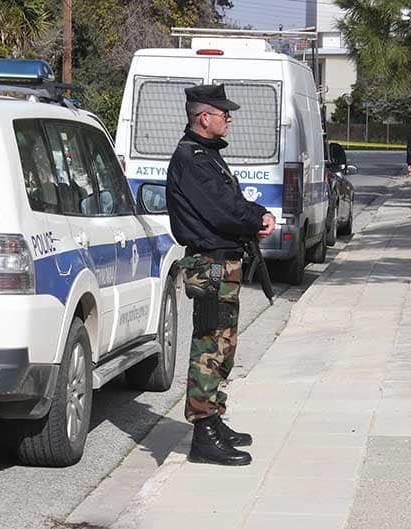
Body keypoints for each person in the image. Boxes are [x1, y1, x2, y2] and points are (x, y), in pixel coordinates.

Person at [166, 84, 276, 466]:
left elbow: (230, 202)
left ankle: (213, 418)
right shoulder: (192, 158)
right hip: (210, 263)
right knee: (209, 344)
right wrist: (256, 218)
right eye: (223, 113)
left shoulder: (207, 155)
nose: (229, 119)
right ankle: (203, 434)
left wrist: (257, 214)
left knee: (223, 344)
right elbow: (221, 210)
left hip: (222, 261)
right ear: (204, 117)